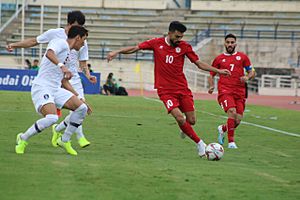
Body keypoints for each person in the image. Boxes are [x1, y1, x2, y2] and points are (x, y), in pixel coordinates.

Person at [107, 21, 231, 157]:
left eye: (181, 37)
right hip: (165, 90)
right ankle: (200, 144)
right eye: (177, 36)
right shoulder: (156, 43)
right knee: (179, 117)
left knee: (192, 120)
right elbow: (135, 48)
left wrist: (218, 70)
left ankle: (186, 129)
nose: (179, 40)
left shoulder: (184, 47)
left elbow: (198, 63)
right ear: (170, 33)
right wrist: (117, 52)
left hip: (182, 88)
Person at [7, 10, 97, 148]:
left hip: (64, 80)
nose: (84, 43)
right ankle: (24, 138)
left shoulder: (73, 47)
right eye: (82, 37)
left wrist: (85, 79)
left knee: (81, 108)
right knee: (53, 117)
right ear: (72, 26)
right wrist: (14, 45)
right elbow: (46, 50)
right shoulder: (58, 39)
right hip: (45, 83)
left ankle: (65, 139)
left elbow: (80, 66)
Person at [208, 33, 254, 149]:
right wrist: (211, 86)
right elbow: (211, 74)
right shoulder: (219, 59)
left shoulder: (243, 57)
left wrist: (247, 77)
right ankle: (231, 142)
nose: (230, 44)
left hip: (240, 92)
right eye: (228, 42)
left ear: (235, 44)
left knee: (237, 120)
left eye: (232, 42)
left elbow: (252, 71)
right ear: (224, 43)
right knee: (232, 112)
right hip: (225, 91)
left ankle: (223, 128)